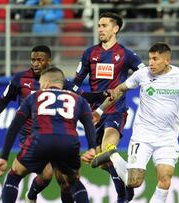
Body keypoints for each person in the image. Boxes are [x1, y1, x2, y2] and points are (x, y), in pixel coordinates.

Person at [0, 45, 108, 203]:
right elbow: (2, 102)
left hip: (54, 132)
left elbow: (85, 96)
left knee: (64, 181)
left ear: (48, 61)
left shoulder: (59, 80)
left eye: (39, 60)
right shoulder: (20, 79)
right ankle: (32, 195)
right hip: (30, 135)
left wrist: (104, 94)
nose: (35, 63)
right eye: (33, 59)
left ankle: (31, 195)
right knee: (47, 175)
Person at [92, 42, 179, 202]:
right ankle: (113, 155)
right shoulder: (142, 74)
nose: (151, 63)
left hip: (167, 138)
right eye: (150, 59)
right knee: (133, 182)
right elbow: (120, 89)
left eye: (155, 59)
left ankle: (112, 155)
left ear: (167, 61)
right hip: (143, 136)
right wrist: (100, 110)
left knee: (165, 179)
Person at [0, 67, 97, 203]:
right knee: (72, 180)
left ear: (45, 83)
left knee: (14, 175)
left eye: (40, 84)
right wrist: (92, 147)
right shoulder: (78, 100)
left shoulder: (34, 96)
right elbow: (89, 124)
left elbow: (15, 126)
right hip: (68, 143)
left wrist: (4, 157)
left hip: (40, 140)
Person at [72, 12, 146, 202]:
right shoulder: (90, 53)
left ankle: (123, 195)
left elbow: (145, 75)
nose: (100, 29)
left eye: (104, 25)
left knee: (108, 147)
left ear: (116, 29)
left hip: (116, 109)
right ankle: (125, 189)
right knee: (103, 161)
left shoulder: (125, 54)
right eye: (99, 25)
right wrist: (84, 97)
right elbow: (75, 84)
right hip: (94, 113)